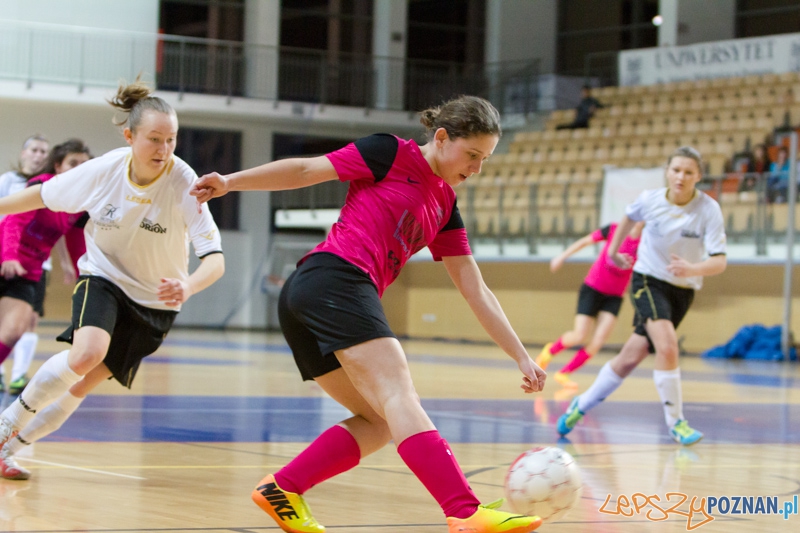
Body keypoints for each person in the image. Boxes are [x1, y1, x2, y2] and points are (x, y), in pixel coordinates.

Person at [190, 96, 546, 533]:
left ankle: (283, 488)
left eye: (485, 159)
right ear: (441, 137)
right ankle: (464, 511)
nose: (476, 168)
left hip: (317, 295)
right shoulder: (390, 152)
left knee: (380, 421)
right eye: (472, 154)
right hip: (334, 278)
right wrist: (229, 182)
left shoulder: (445, 205)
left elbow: (474, 287)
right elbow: (306, 171)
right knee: (399, 395)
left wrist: (520, 355)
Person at [0, 80, 225, 481]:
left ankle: (10, 451)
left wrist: (189, 286)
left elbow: (215, 259)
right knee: (86, 354)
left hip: (155, 301)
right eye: (154, 139)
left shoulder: (183, 182)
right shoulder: (105, 169)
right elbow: (41, 195)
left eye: (171, 139)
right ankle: (6, 425)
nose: (164, 149)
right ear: (129, 136)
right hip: (103, 276)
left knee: (80, 385)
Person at [557, 146, 727, 446]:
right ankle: (677, 423)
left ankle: (580, 405)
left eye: (688, 172)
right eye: (676, 170)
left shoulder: (708, 209)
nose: (681, 177)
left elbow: (719, 261)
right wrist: (612, 251)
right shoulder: (650, 200)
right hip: (648, 280)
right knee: (668, 346)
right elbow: (627, 217)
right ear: (667, 171)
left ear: (698, 176)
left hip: (683, 289)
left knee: (628, 359)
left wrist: (693, 269)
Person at [0, 139, 92, 383]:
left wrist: (82, 276)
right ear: (58, 165)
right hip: (5, 257)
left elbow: (77, 243)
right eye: (73, 163)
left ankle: (16, 374)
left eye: (84, 164)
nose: (79, 169)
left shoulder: (81, 203)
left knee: (15, 330)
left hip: (29, 270)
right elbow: (13, 220)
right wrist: (9, 257)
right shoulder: (42, 186)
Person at [536, 221, 644, 389]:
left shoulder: (645, 243)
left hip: (614, 296)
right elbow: (585, 241)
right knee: (580, 335)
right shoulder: (614, 229)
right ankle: (548, 352)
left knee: (598, 342)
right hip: (593, 288)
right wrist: (562, 256)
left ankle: (564, 373)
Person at [0, 134, 50, 395]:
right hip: (6, 255)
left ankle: (19, 375)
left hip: (37, 264)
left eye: (43, 151)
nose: (38, 155)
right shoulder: (9, 181)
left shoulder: (49, 186)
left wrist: (68, 263)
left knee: (29, 319)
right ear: (24, 153)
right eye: (34, 150)